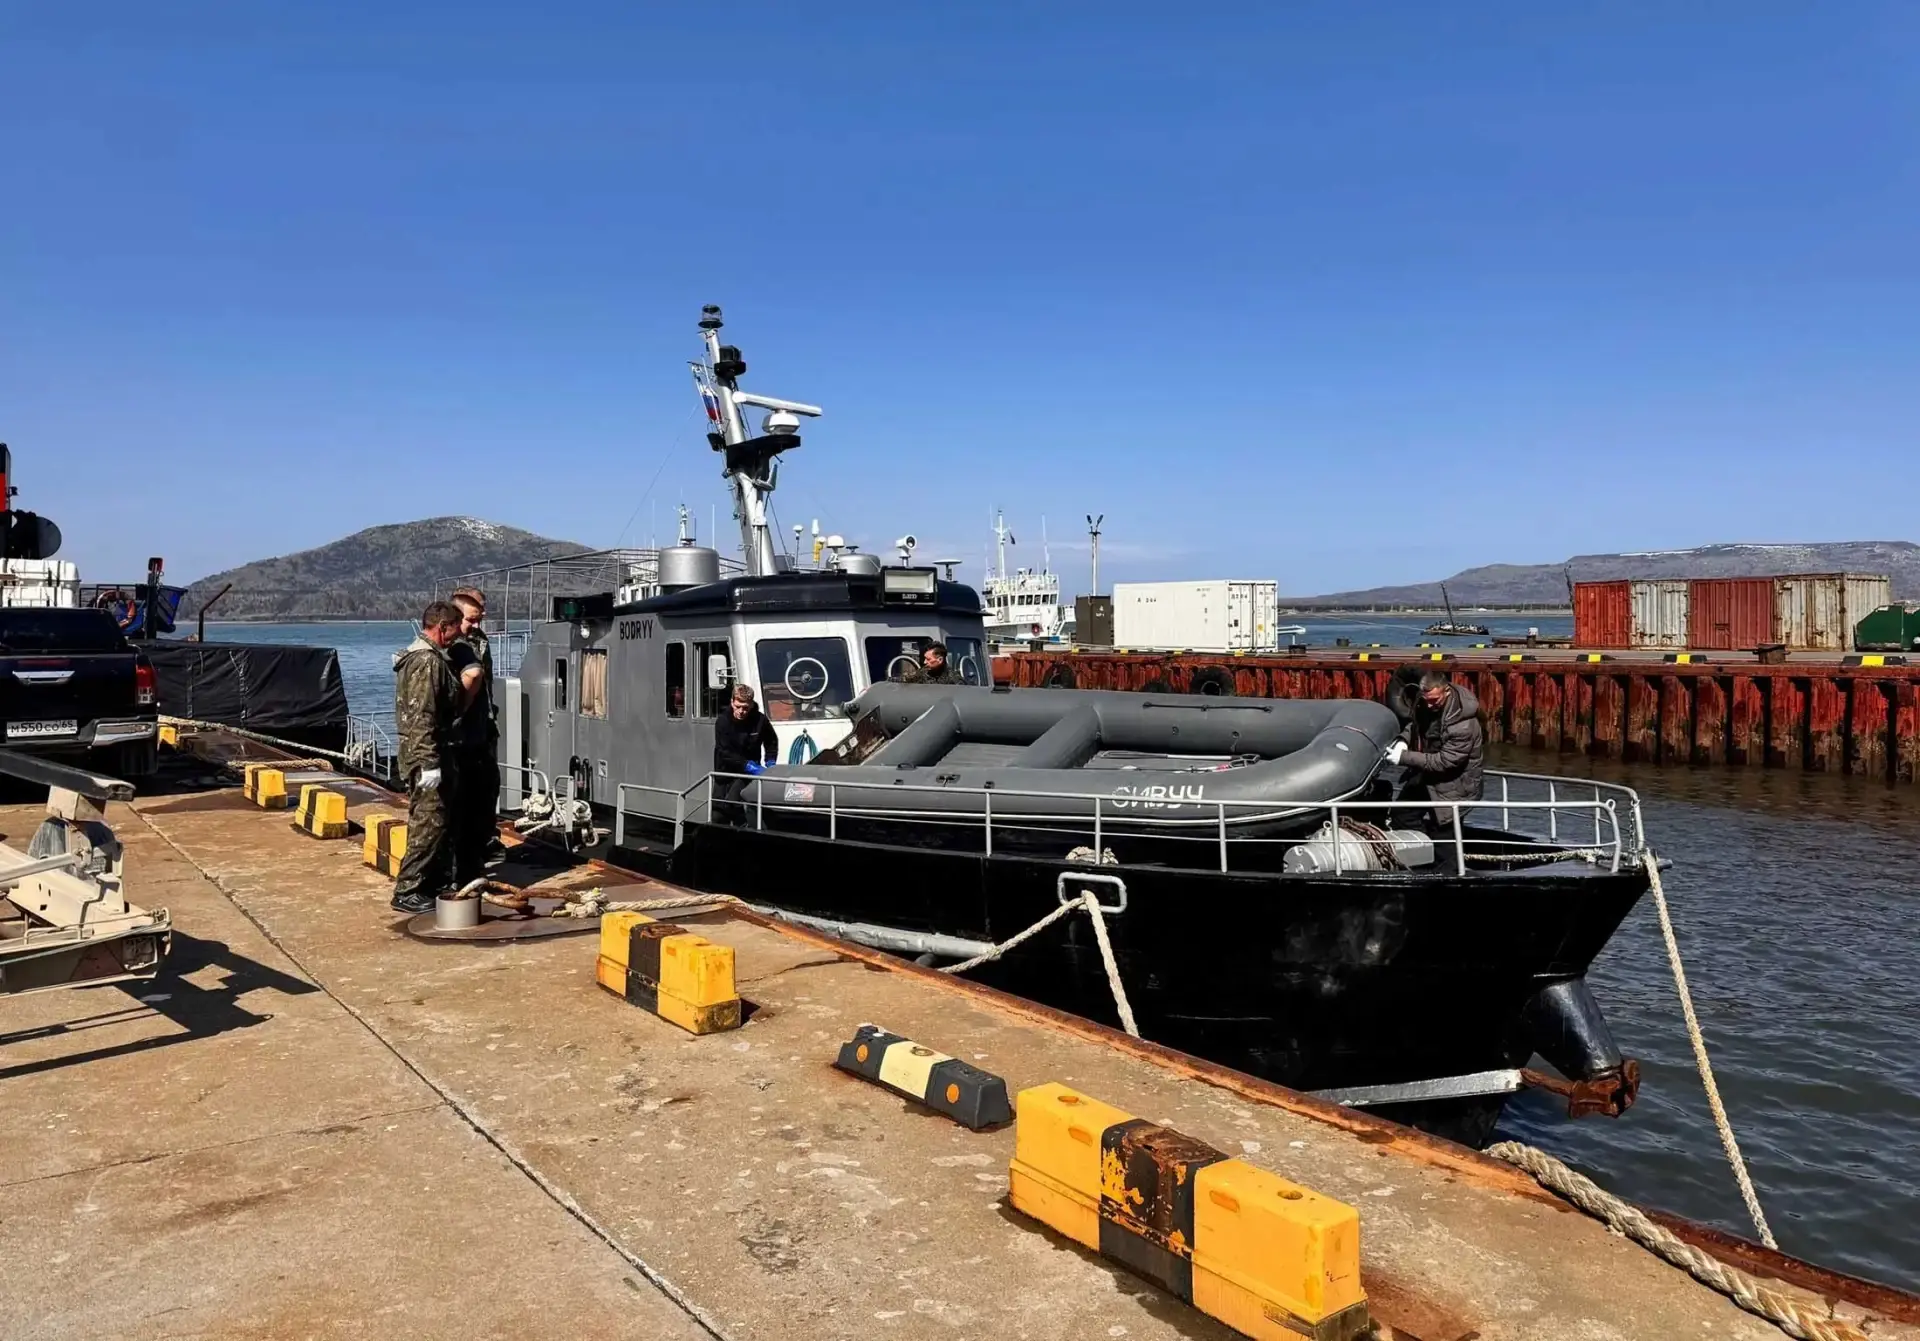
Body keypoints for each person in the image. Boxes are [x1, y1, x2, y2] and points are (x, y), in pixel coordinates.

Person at [391, 601, 467, 914]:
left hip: (434, 750)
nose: (457, 636)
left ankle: (432, 883)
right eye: (455, 629)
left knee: (440, 820)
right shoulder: (426, 661)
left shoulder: (429, 657)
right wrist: (429, 763)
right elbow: (421, 716)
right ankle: (407, 890)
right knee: (428, 822)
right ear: (442, 626)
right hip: (427, 753)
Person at [448, 588, 503, 882]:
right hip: (459, 736)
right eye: (472, 618)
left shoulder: (479, 640)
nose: (477, 623)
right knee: (459, 805)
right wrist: (460, 711)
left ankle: (479, 853)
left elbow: (486, 684)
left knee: (486, 793)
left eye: (480, 616)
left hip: (483, 730)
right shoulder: (449, 645)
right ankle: (458, 869)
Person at [1385, 671, 1485, 833]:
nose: (1430, 705)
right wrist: (1403, 740)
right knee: (1401, 815)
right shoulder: (1424, 703)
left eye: (1434, 700)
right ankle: (1422, 844)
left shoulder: (1463, 724)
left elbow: (1446, 761)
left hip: (1454, 783)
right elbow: (1416, 725)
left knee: (1444, 833)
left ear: (1446, 691)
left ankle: (1438, 844)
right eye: (1427, 700)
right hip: (1426, 774)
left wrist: (1403, 757)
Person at [712, 682, 779, 826]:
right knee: (718, 814)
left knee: (735, 804)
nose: (741, 711)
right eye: (738, 707)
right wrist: (747, 765)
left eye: (745, 708)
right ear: (732, 702)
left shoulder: (760, 720)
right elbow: (724, 751)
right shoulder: (723, 722)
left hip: (746, 775)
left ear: (751, 705)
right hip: (725, 772)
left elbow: (771, 740)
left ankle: (743, 831)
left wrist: (770, 761)